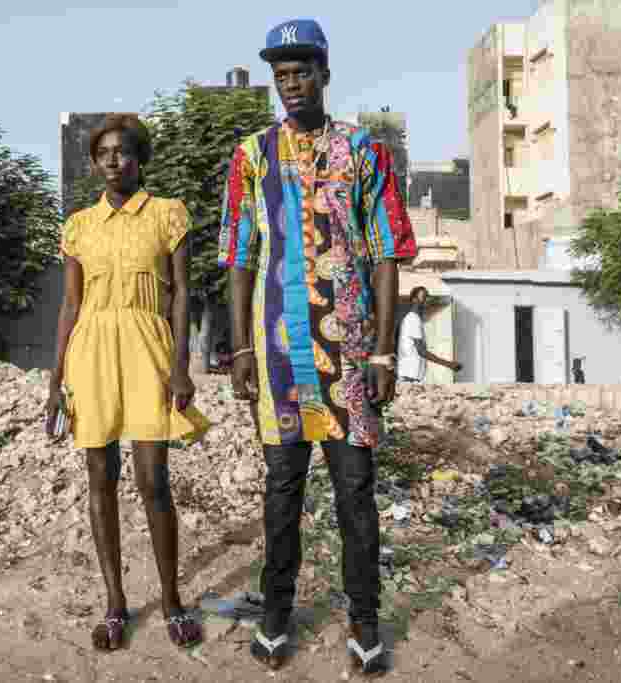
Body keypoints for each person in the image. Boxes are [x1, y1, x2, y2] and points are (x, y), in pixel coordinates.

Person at [220, 19, 417, 675]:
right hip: (278, 358)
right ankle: (276, 615)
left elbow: (388, 254)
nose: (291, 84)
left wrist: (386, 353)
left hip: (351, 357)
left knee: (355, 492)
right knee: (281, 492)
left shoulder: (365, 152)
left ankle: (365, 621)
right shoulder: (252, 155)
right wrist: (239, 351)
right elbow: (239, 255)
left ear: (325, 73)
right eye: (281, 75)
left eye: (301, 71)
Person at [46, 114, 210, 652]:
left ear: (139, 158)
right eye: (103, 153)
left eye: (122, 151)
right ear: (94, 164)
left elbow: (183, 293)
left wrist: (181, 366)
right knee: (100, 477)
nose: (113, 160)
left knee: (153, 478)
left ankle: (171, 598)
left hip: (148, 350)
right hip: (90, 354)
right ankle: (115, 603)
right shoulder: (78, 226)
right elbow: (70, 303)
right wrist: (55, 378)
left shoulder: (168, 214)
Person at [396, 286, 461, 383]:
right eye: (424, 297)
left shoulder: (413, 319)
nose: (426, 300)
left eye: (427, 297)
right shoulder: (413, 320)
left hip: (411, 375)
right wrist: (449, 364)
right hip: (409, 376)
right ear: (414, 300)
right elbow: (421, 351)